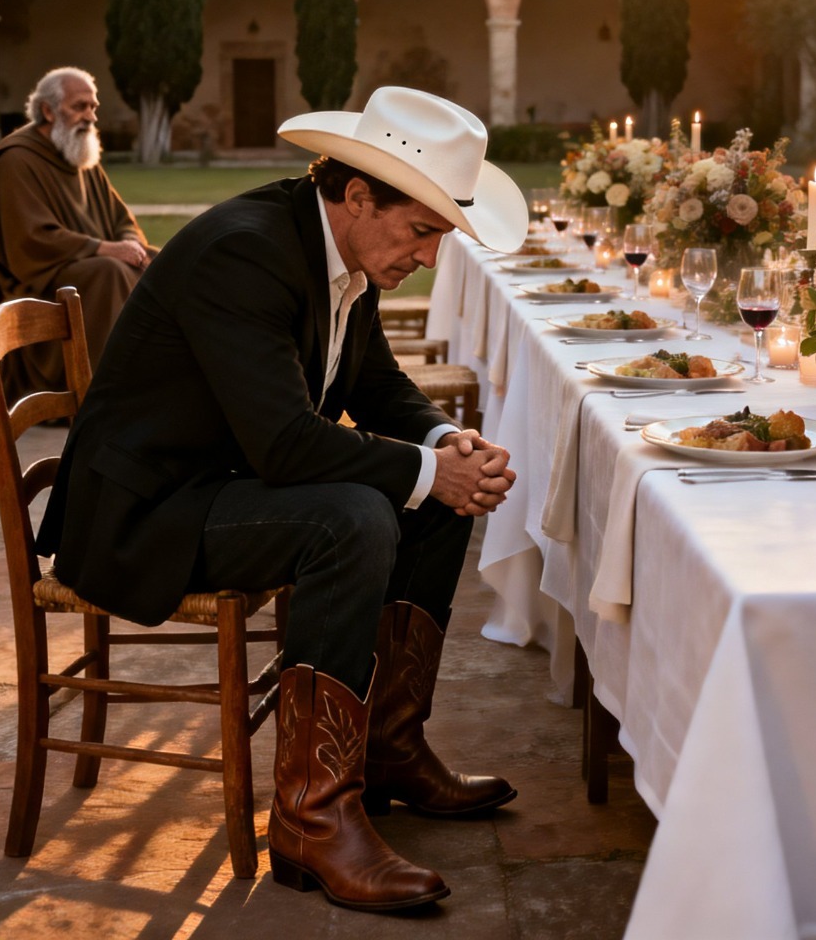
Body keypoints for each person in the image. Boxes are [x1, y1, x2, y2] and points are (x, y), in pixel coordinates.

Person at [37, 86, 529, 913]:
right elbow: (286, 443)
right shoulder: (246, 252)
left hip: (220, 482)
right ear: (359, 196)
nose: (430, 258)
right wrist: (424, 469)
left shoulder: (342, 248)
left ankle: (389, 748)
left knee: (436, 497)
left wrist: (447, 443)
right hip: (143, 514)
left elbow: (375, 384)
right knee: (355, 517)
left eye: (441, 236)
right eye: (423, 231)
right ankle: (312, 816)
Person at [0, 67, 155, 403]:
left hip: (85, 264)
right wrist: (103, 248)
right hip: (39, 277)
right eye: (79, 106)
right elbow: (30, 238)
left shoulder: (80, 153)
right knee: (109, 271)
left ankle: (150, 378)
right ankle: (101, 394)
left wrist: (128, 241)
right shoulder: (16, 159)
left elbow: (120, 217)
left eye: (93, 106)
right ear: (48, 110)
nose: (90, 116)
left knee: (159, 260)